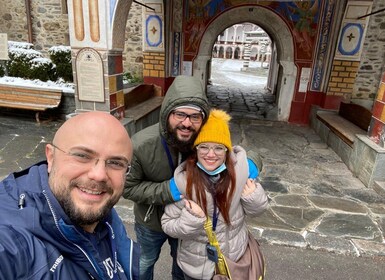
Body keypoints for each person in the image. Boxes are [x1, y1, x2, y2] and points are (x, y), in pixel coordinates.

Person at [0, 111, 140, 279]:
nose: (99, 175)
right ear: (51, 157)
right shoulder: (11, 241)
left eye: (116, 163)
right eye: (82, 156)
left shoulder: (104, 211)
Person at [161, 109, 268, 280]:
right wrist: (192, 218)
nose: (211, 154)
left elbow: (257, 211)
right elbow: (168, 225)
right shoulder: (183, 181)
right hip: (195, 267)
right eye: (204, 147)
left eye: (218, 148)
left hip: (233, 259)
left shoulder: (241, 173)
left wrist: (253, 197)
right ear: (195, 150)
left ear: (227, 150)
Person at [123, 75, 211, 280]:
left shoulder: (205, 140)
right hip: (150, 221)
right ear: (167, 113)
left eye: (195, 117)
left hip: (185, 221)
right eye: (180, 114)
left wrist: (250, 163)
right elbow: (128, 188)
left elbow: (238, 152)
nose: (187, 123)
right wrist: (168, 190)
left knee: (182, 265)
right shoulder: (141, 144)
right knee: (145, 261)